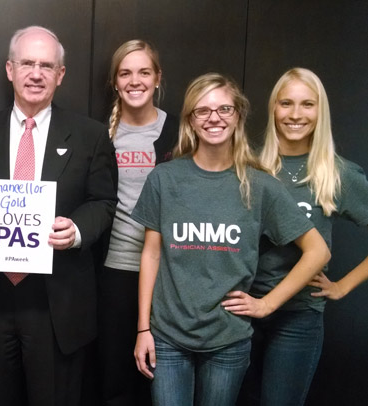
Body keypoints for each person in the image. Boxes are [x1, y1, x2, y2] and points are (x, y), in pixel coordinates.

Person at [131, 73, 330, 406]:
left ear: (238, 116)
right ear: (191, 120)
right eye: (203, 110)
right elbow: (150, 255)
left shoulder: (259, 186)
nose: (214, 118)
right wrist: (142, 329)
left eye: (224, 109)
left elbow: (317, 251)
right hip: (167, 336)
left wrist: (267, 304)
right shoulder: (164, 179)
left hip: (228, 339)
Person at [0, 26, 117, 406]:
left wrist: (76, 230)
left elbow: (104, 202)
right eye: (27, 63)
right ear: (10, 69)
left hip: (57, 304)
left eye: (46, 65)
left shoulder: (90, 136)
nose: (36, 73)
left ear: (60, 75)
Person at [238, 68, 368, 406]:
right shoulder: (248, 164)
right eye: (286, 103)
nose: (295, 115)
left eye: (307, 104)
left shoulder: (337, 173)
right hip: (241, 312)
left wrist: (342, 286)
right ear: (273, 109)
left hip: (298, 318)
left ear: (320, 112)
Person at [97, 39, 178, 406]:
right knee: (115, 380)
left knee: (161, 380)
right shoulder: (100, 136)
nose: (135, 80)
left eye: (144, 72)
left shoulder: (180, 134)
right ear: (115, 81)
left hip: (168, 274)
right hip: (114, 272)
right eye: (125, 73)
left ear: (157, 78)